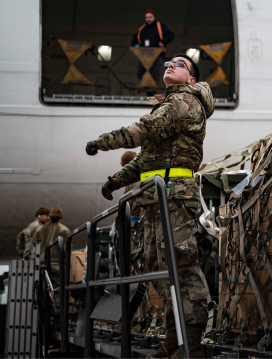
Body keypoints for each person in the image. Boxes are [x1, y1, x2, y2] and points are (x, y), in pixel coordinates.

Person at [85, 54, 212, 359]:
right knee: (161, 272)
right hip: (156, 200)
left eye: (180, 64)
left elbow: (142, 130)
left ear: (191, 79)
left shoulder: (185, 102)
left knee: (183, 270)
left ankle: (191, 346)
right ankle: (173, 339)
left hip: (175, 199)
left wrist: (101, 142)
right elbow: (144, 160)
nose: (171, 65)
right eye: (168, 63)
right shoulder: (170, 104)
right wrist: (116, 180)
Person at [31, 205, 70, 316]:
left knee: (44, 293)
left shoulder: (40, 230)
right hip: (57, 266)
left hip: (43, 266)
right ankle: (58, 318)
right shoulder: (64, 230)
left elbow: (33, 246)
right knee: (58, 292)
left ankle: (46, 318)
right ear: (60, 218)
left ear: (50, 217)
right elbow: (66, 250)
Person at [131, 8, 174, 87]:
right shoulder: (142, 28)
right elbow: (135, 39)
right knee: (140, 73)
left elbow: (170, 35)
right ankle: (148, 88)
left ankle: (152, 93)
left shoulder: (160, 26)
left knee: (154, 75)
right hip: (144, 55)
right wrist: (136, 45)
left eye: (150, 17)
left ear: (154, 17)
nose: (148, 19)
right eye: (147, 17)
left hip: (157, 54)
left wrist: (163, 42)